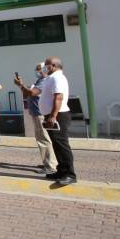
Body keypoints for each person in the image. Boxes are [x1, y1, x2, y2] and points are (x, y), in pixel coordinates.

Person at [39, 56, 76, 186]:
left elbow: (58, 98)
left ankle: (70, 175)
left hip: (58, 115)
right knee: (56, 144)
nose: (45, 67)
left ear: (53, 65)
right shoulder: (51, 78)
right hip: (51, 114)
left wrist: (53, 116)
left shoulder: (58, 78)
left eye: (47, 65)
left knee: (61, 144)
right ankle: (61, 171)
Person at [14, 63, 57, 175]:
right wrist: (22, 85)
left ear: (44, 70)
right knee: (43, 139)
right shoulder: (40, 81)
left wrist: (21, 84)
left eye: (38, 70)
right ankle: (48, 162)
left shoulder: (45, 80)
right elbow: (28, 93)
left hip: (40, 114)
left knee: (44, 140)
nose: (36, 72)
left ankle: (50, 166)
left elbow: (32, 93)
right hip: (37, 113)